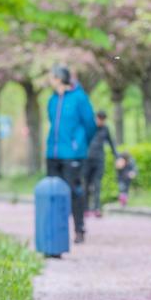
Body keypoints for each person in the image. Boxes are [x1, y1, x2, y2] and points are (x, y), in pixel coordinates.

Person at [46, 64, 97, 244]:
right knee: (53, 191)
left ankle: (79, 228)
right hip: (53, 153)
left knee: (74, 191)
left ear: (59, 78)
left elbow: (90, 124)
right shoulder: (52, 99)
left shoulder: (79, 98)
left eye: (51, 77)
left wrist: (79, 143)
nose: (49, 80)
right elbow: (52, 121)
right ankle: (56, 230)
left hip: (73, 154)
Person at [85, 110, 118, 217]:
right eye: (99, 119)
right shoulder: (89, 128)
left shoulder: (106, 129)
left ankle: (97, 208)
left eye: (103, 120)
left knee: (97, 184)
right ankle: (86, 208)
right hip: (87, 160)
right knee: (86, 184)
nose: (101, 122)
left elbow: (111, 143)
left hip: (99, 160)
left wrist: (117, 157)